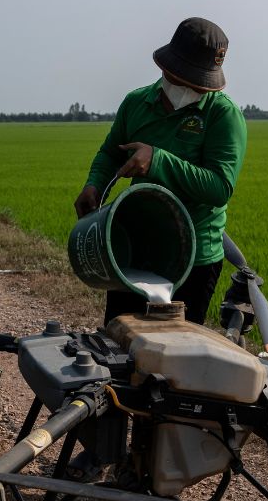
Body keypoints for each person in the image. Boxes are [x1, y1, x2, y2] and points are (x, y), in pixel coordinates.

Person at [74, 17, 247, 325]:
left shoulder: (223, 115)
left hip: (193, 259)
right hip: (132, 250)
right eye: (189, 79)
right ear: (168, 68)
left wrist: (158, 160)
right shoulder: (136, 103)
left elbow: (220, 187)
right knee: (120, 342)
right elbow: (110, 153)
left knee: (177, 360)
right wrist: (95, 185)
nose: (194, 88)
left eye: (201, 83)